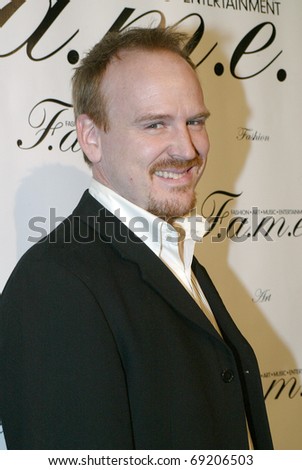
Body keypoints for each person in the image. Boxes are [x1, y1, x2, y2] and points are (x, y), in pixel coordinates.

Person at [0, 27, 273, 450]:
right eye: (154, 124)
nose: (187, 148)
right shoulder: (54, 285)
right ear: (91, 137)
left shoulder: (171, 253)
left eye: (195, 121)